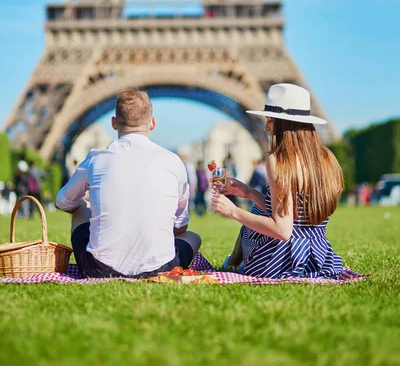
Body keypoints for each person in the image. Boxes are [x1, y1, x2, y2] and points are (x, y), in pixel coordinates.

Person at [56, 89, 201, 278]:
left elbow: (62, 201)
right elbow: (181, 226)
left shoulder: (95, 158)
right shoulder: (174, 162)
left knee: (80, 211)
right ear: (152, 123)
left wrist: (88, 207)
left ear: (114, 123)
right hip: (161, 269)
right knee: (193, 238)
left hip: (99, 268)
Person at [211, 83, 347, 279]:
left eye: (269, 120)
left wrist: (232, 211)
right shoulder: (327, 158)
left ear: (281, 122)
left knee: (249, 224)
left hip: (280, 261)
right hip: (318, 258)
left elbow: (283, 231)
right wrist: (249, 192)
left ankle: (234, 261)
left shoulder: (279, 161)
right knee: (258, 211)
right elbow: (297, 219)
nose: (266, 126)